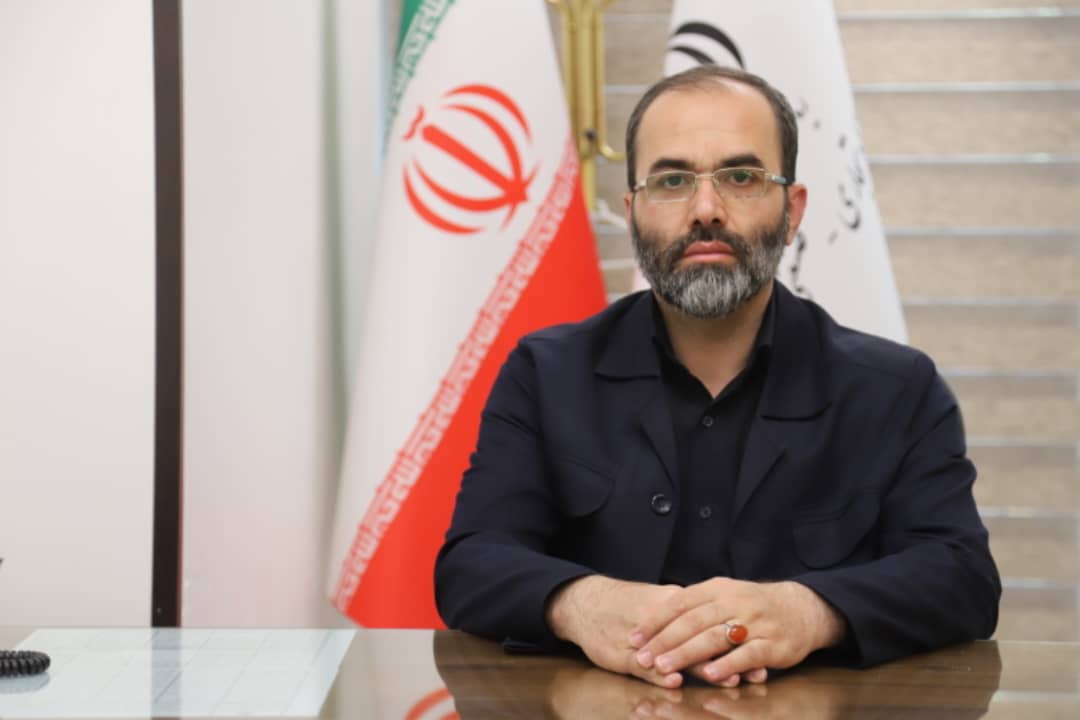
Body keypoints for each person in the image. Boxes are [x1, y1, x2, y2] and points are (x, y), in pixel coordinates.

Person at [434, 65, 1000, 689]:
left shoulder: (897, 388)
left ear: (793, 210)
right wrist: (581, 603)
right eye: (672, 181)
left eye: (741, 177)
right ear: (633, 213)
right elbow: (471, 564)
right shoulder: (545, 374)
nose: (706, 210)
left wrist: (810, 611)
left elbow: (963, 577)